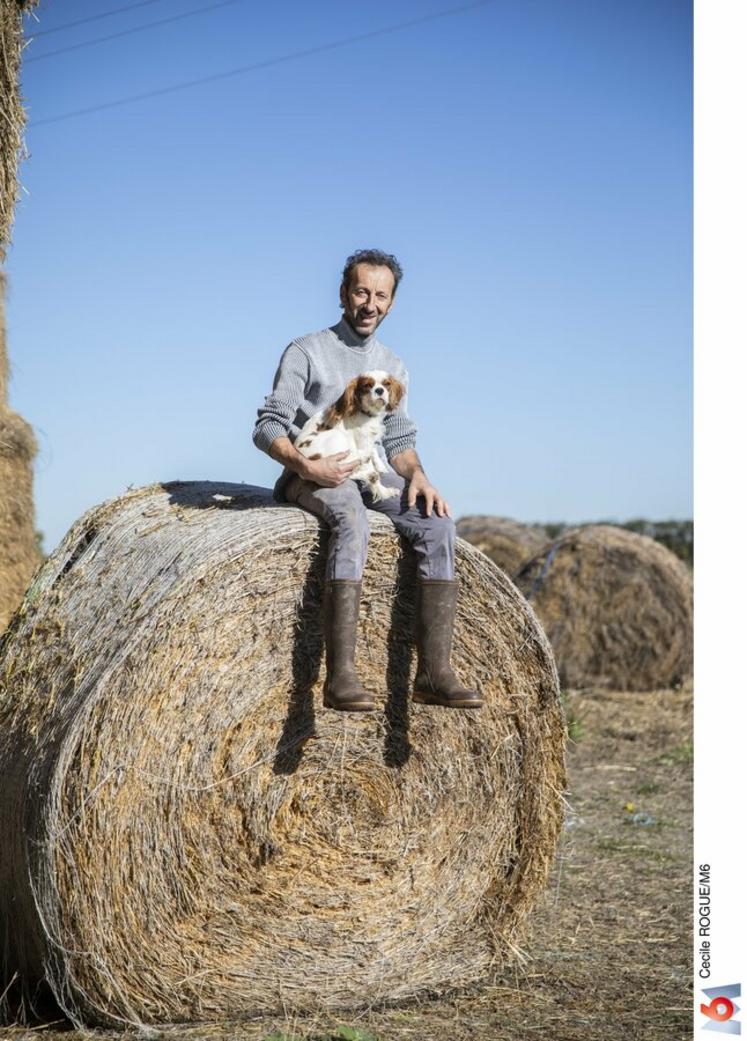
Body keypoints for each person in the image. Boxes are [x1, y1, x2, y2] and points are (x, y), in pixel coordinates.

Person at [252, 248, 481, 712]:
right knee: (350, 516)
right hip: (312, 473)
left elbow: (398, 438)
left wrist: (419, 477)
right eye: (361, 292)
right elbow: (268, 426)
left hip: (368, 473)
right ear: (343, 294)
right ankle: (342, 677)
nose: (369, 304)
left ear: (392, 303)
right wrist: (305, 467)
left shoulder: (392, 365)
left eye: (381, 295)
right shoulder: (306, 351)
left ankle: (434, 673)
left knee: (437, 524)